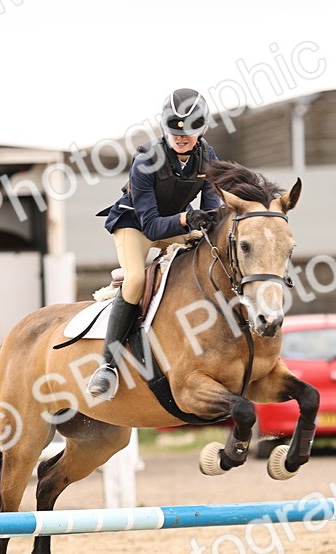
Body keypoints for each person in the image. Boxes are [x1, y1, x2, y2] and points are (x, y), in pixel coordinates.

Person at [89, 88, 225, 399]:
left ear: (202, 129)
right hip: (134, 226)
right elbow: (150, 225)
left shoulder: (209, 157)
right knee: (135, 279)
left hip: (177, 223)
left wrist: (211, 222)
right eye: (174, 131)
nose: (181, 138)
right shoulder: (147, 159)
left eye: (189, 132)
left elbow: (213, 209)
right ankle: (107, 366)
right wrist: (187, 220)